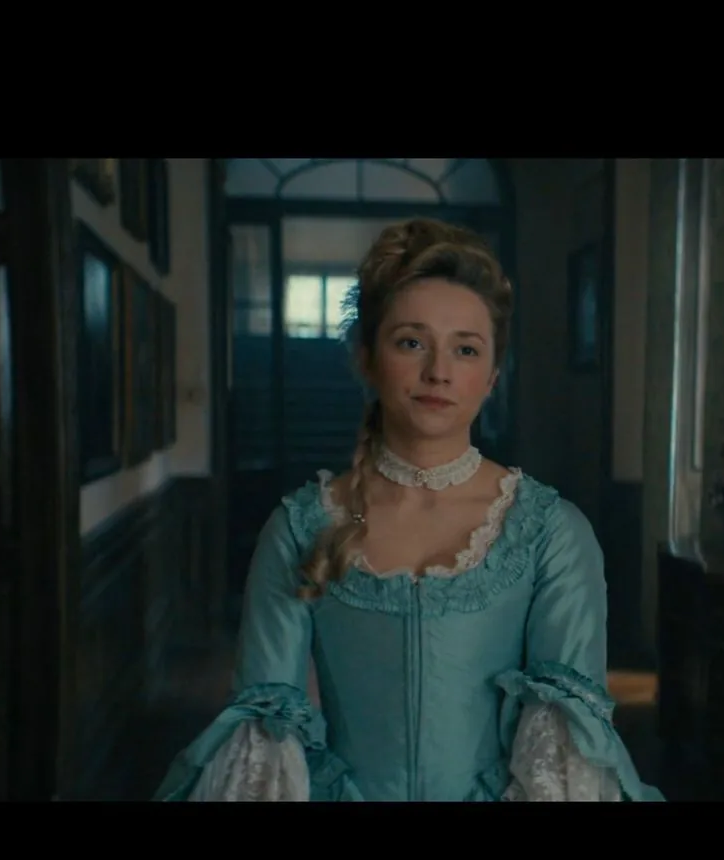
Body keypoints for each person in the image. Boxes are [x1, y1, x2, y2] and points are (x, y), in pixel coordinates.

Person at [155, 218, 664, 802]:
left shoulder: (551, 534)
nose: (438, 372)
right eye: (411, 342)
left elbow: (559, 761)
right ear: (367, 358)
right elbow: (264, 735)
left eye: (465, 349)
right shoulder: (299, 528)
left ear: (493, 376)